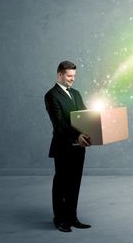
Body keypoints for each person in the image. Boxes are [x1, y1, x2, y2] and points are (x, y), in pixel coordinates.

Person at [44, 60, 92, 232]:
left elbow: (85, 116)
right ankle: (60, 219)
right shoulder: (51, 95)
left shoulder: (76, 94)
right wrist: (77, 135)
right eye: (69, 76)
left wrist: (96, 127)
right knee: (61, 184)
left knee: (75, 183)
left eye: (74, 76)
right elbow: (59, 124)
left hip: (79, 147)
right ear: (60, 75)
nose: (72, 79)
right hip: (63, 147)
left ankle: (72, 217)